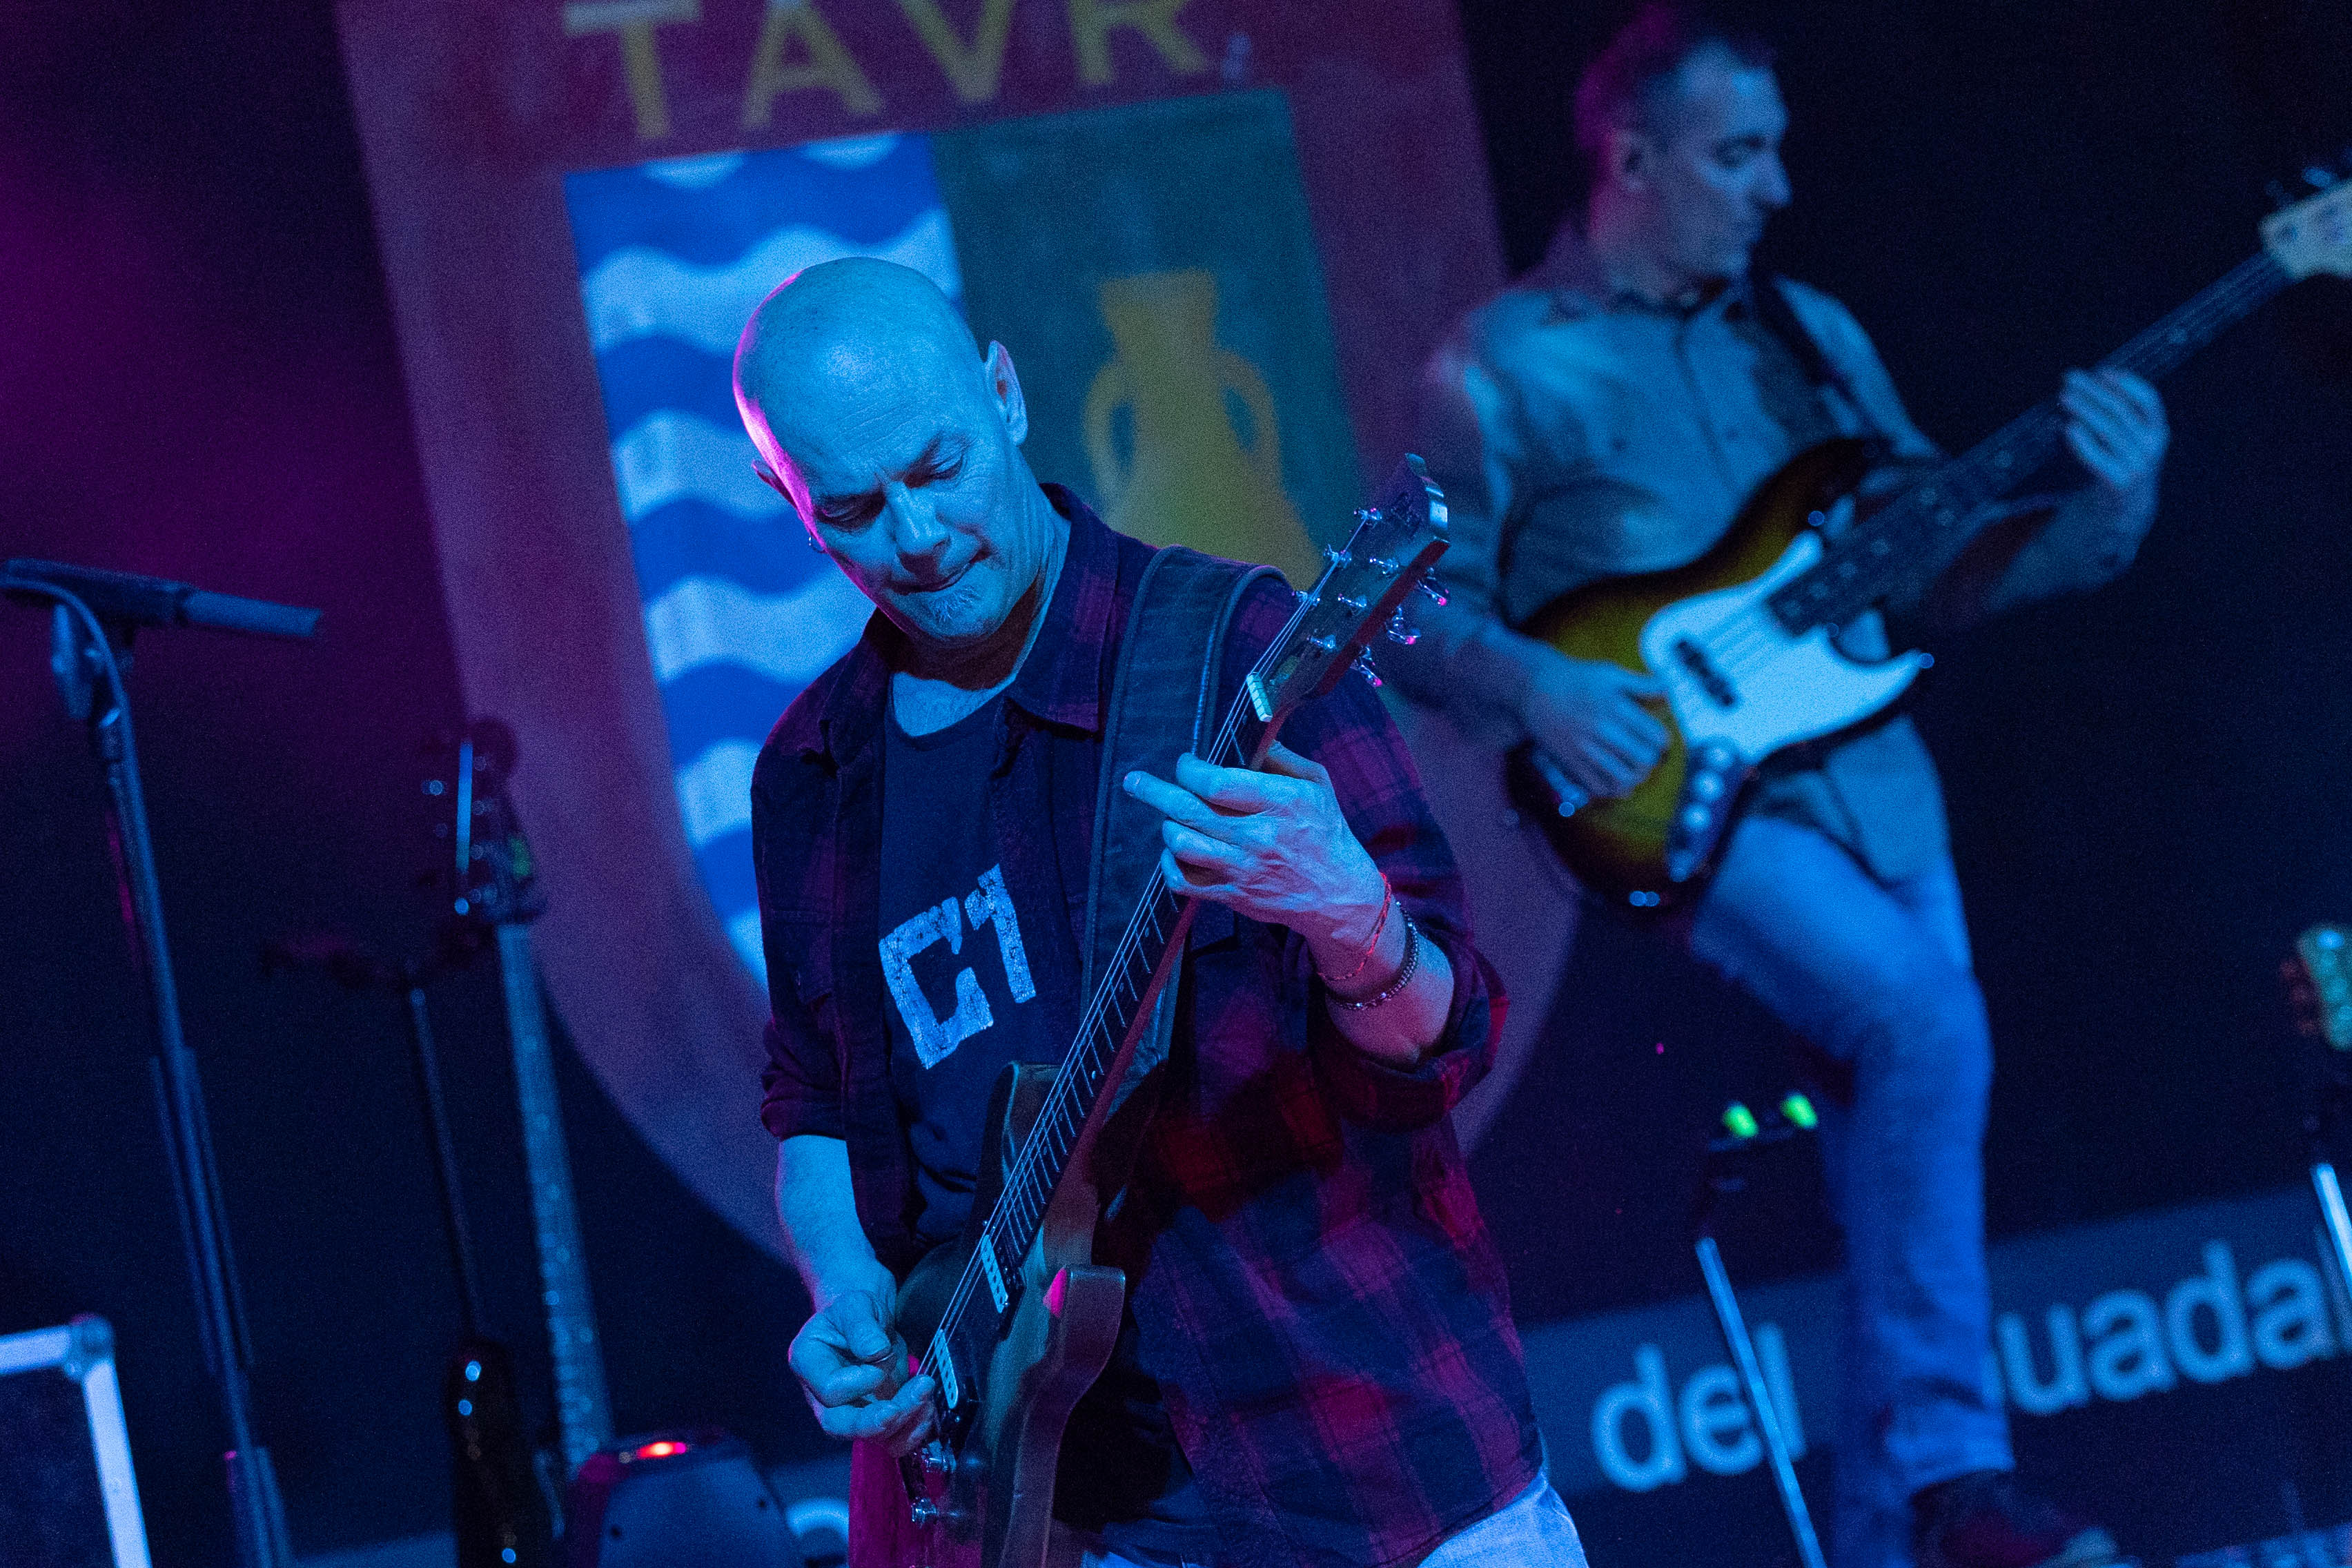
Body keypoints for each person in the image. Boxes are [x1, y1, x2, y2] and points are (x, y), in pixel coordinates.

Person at [1384, 8, 2169, 1568]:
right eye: (1741, 154)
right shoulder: (1505, 364)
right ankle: (1955, 1472)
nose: (1775, 186)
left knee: (1908, 1083)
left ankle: (1901, 1529)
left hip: (1881, 777)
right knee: (1928, 1020)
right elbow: (1408, 604)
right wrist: (1538, 682)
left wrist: (2112, 494)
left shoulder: (1806, 332)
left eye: (1778, 151)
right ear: (1634, 159)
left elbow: (1934, 562)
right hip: (1692, 804)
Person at [732, 257, 1585, 1568]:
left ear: (1006, 394)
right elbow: (814, 1108)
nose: (915, 535)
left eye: (938, 467)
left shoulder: (1232, 648)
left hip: (1377, 1476)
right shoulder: (811, 776)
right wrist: (846, 1298)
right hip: (1074, 1517)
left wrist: (1354, 925)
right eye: (853, 507)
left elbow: (1447, 1037)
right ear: (787, 503)